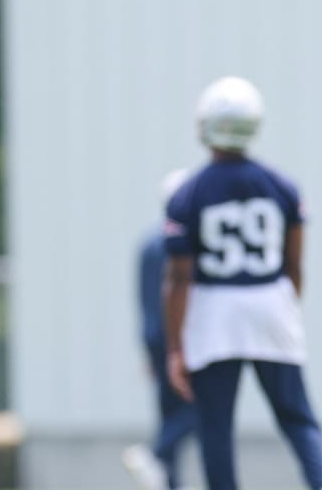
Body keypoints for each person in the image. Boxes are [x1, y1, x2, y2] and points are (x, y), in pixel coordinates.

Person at [163, 77, 322, 490]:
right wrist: (285, 309)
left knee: (216, 424)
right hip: (269, 299)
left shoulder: (188, 193)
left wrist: (174, 346)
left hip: (213, 308)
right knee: (296, 414)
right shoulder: (281, 185)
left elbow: (178, 276)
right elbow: (293, 264)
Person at [124, 169, 198, 490]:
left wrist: (149, 349)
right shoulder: (184, 244)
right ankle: (156, 455)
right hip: (183, 337)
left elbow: (142, 299)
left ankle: (169, 483)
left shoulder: (148, 243)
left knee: (170, 415)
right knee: (199, 409)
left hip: (156, 339)